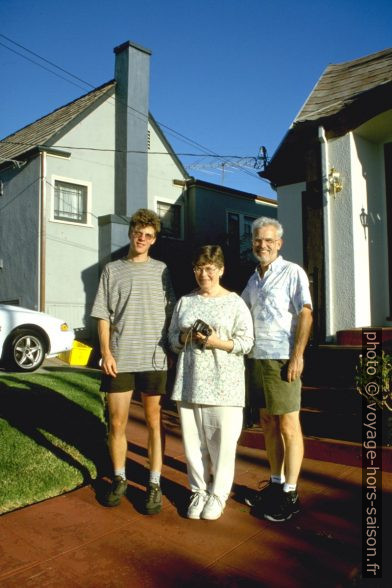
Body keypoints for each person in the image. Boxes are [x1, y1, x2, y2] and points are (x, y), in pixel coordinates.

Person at [91, 208, 175, 513]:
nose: (142, 238)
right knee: (117, 422)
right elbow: (102, 316)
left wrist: (169, 349)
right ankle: (119, 477)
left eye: (148, 235)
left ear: (154, 240)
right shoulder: (112, 270)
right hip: (120, 358)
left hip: (154, 358)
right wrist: (106, 353)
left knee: (155, 422)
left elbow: (171, 315)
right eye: (138, 232)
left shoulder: (163, 270)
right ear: (131, 234)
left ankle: (154, 483)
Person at [169, 245, 254, 520]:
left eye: (209, 268)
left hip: (224, 385)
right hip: (190, 381)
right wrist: (185, 338)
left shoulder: (235, 302)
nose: (203, 274)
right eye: (198, 268)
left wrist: (217, 342)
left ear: (220, 270)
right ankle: (199, 491)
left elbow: (247, 342)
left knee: (223, 444)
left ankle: (218, 495)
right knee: (193, 445)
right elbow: (171, 338)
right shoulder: (185, 301)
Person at [242, 217, 312, 522]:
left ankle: (291, 493)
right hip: (257, 358)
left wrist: (298, 355)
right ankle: (275, 483)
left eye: (269, 240)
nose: (263, 245)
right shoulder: (253, 278)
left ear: (279, 243)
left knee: (288, 426)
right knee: (267, 422)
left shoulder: (292, 272)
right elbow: (240, 312)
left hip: (283, 358)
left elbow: (306, 314)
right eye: (258, 240)